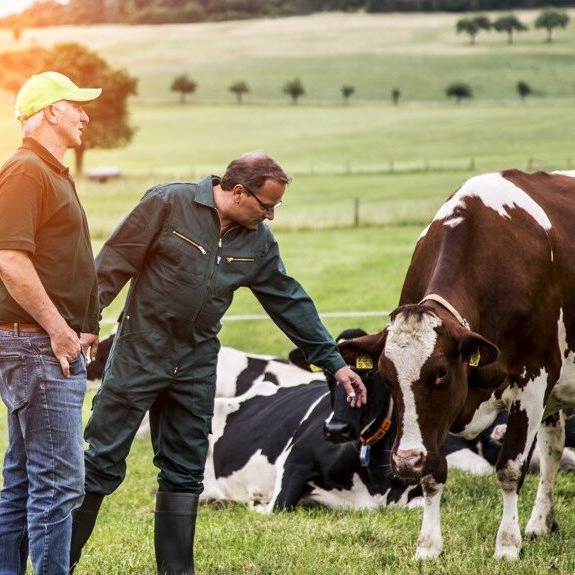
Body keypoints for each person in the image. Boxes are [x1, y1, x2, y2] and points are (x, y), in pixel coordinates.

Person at [69, 152, 367, 574]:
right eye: (267, 206)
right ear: (239, 192)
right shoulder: (168, 203)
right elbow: (112, 264)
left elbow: (289, 301)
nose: (271, 216)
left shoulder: (258, 242)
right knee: (101, 460)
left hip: (196, 363)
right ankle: (58, 564)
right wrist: (85, 323)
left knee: (185, 470)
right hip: (140, 351)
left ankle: (177, 571)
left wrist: (333, 362)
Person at [0, 71, 104, 575]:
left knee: (25, 478)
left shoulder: (50, 171)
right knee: (58, 482)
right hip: (38, 345)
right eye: (76, 105)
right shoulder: (26, 171)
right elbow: (10, 260)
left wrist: (83, 321)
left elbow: (61, 259)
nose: (85, 115)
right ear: (50, 111)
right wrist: (59, 329)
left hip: (45, 341)